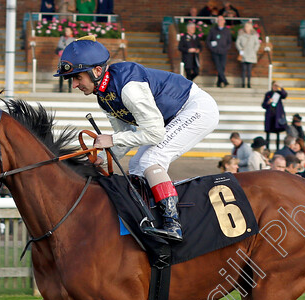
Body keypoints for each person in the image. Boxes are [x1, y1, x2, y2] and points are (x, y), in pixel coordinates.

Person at [55, 36, 220, 242]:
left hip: (196, 109)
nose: (74, 85)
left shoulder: (128, 88)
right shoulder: (104, 96)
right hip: (170, 117)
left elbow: (154, 133)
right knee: (136, 164)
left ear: (97, 71)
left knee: (151, 159)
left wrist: (112, 140)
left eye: (78, 78)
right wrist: (105, 158)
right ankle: (149, 219)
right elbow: (128, 137)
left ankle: (172, 224)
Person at [207, 15, 232, 88]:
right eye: (218, 20)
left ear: (224, 21)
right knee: (218, 66)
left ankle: (219, 82)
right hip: (215, 51)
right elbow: (208, 41)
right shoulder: (213, 30)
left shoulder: (227, 31)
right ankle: (224, 80)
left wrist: (226, 48)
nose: (220, 21)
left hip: (223, 51)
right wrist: (212, 48)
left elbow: (229, 42)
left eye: (221, 20)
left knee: (222, 66)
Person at [262, 82, 287, 150]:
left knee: (277, 134)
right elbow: (263, 105)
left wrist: (280, 88)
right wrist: (268, 102)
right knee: (268, 134)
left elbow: (285, 95)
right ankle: (267, 149)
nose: (275, 87)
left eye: (276, 86)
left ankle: (277, 149)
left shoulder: (279, 93)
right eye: (274, 85)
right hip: (270, 116)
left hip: (277, 117)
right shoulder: (268, 94)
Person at [235, 22, 260, 89]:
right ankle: (243, 83)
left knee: (249, 70)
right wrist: (241, 49)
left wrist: (254, 50)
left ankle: (248, 83)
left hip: (251, 54)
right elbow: (237, 43)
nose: (246, 28)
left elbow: (257, 44)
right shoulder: (241, 34)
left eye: (247, 26)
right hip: (243, 54)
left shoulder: (254, 35)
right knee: (243, 69)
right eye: (245, 26)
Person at [57, 27, 77, 92]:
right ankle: (60, 88)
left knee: (69, 73)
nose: (66, 32)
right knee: (61, 73)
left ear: (71, 32)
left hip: (70, 59)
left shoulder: (73, 39)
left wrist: (64, 47)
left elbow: (73, 48)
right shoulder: (62, 38)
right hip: (62, 59)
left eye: (68, 31)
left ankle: (69, 89)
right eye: (66, 31)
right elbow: (59, 45)